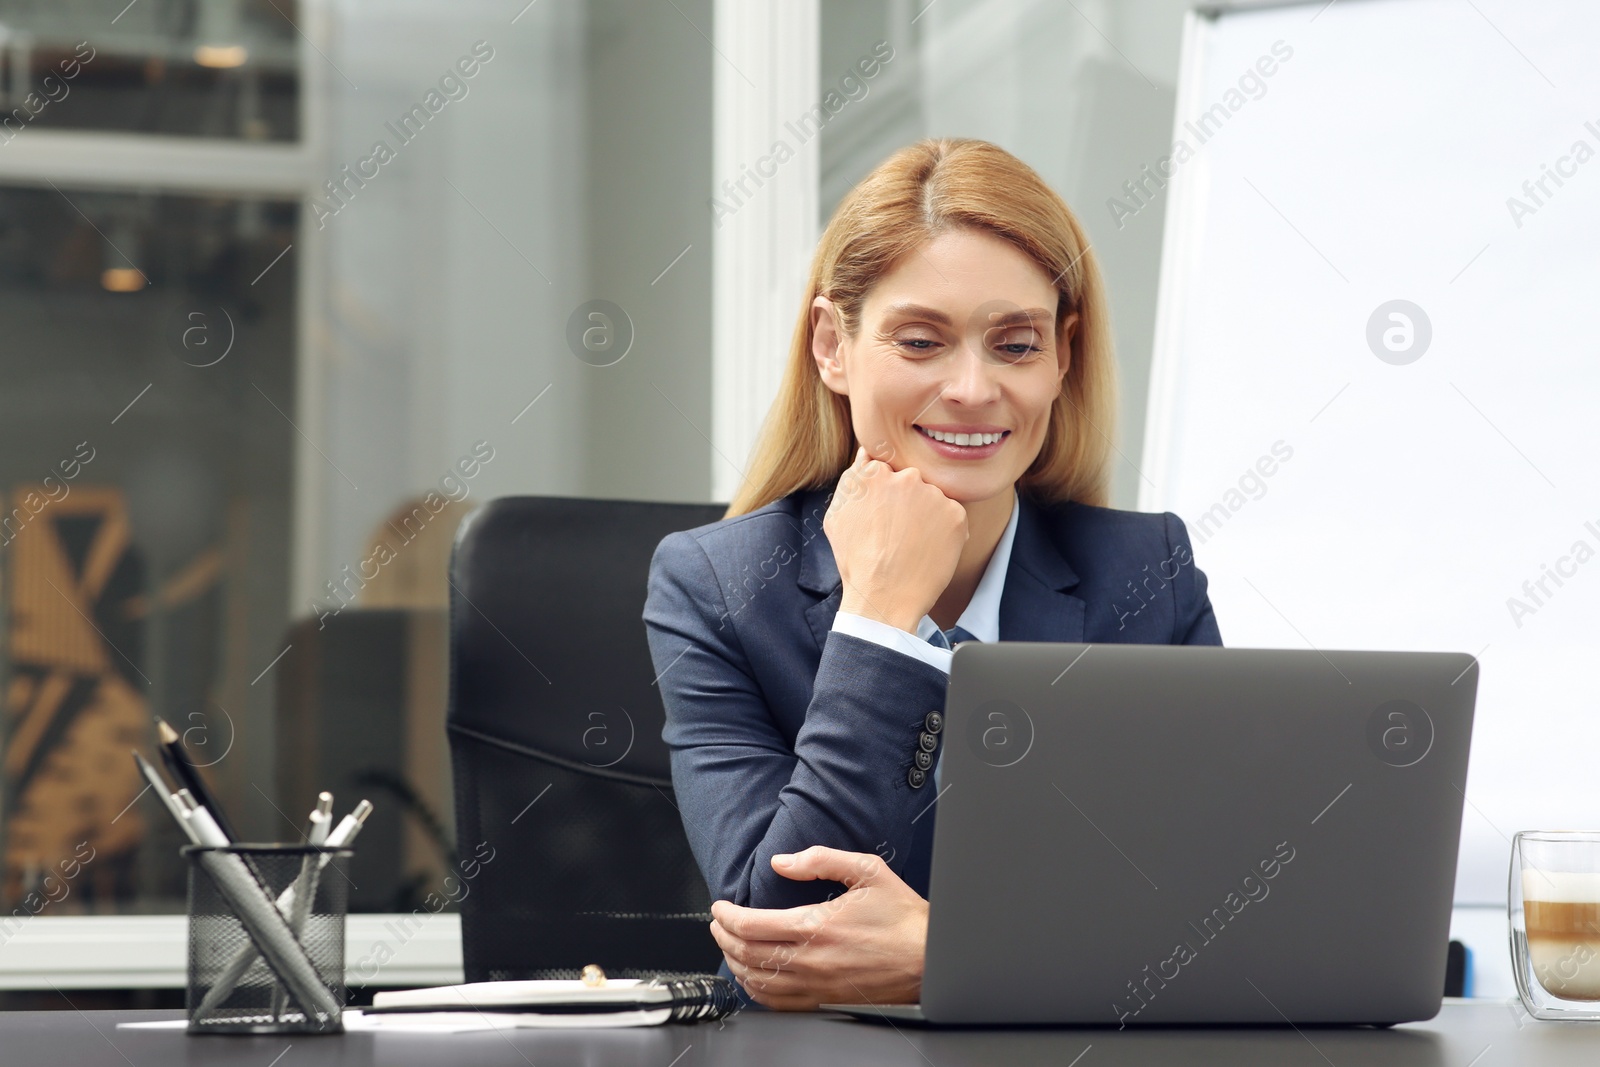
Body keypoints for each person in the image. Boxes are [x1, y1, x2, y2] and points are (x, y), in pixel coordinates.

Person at [642, 137, 1222, 1011]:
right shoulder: (716, 588)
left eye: (1015, 344)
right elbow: (783, 939)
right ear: (832, 346)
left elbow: (1222, 923)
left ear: (1064, 355)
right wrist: (879, 621)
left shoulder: (1149, 578)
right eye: (921, 341)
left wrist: (945, 952)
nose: (972, 387)